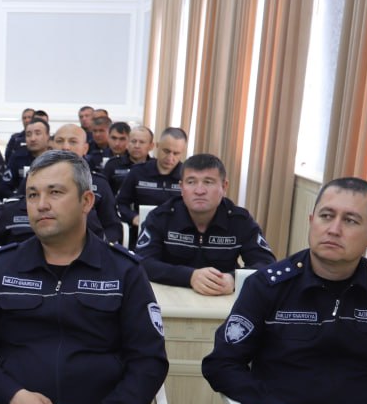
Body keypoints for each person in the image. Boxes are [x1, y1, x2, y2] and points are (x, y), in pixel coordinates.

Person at [202, 177, 367, 404]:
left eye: (350, 220)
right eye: (326, 216)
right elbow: (222, 363)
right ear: (311, 221)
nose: (334, 229)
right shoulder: (268, 286)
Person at [0, 150, 168, 404]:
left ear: (86, 201)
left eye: (55, 192)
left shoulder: (124, 271)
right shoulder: (1, 267)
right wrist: (11, 395)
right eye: (33, 195)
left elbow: (148, 361)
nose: (41, 204)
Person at [135, 154, 275, 295]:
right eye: (191, 182)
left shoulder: (240, 221)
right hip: (170, 295)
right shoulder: (161, 217)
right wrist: (189, 276)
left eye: (208, 182)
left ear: (224, 186)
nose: (199, 191)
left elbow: (266, 264)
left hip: (222, 298)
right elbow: (142, 261)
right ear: (181, 187)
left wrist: (234, 279)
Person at [50, 123, 122, 243]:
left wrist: (97, 245)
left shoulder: (99, 183)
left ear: (85, 149)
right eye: (60, 141)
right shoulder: (37, 179)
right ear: (52, 146)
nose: (65, 147)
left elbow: (113, 228)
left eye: (73, 142)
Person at [115, 126, 186, 225]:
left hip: (176, 229)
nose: (170, 158)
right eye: (166, 151)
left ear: (182, 152)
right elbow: (120, 203)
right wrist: (133, 217)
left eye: (176, 153)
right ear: (157, 146)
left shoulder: (187, 176)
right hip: (142, 227)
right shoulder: (138, 172)